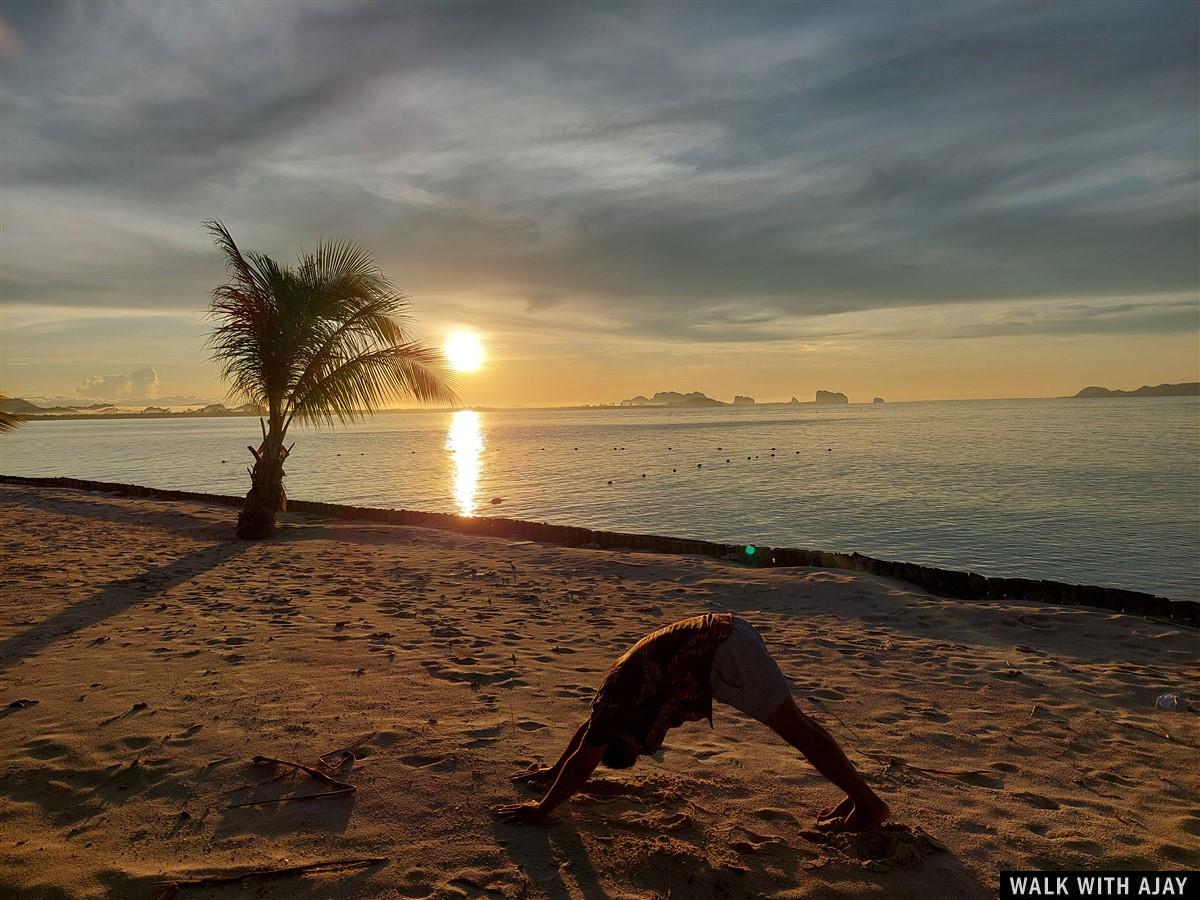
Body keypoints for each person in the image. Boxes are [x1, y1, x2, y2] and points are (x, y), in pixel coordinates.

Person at [494, 612, 889, 830]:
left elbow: (584, 760)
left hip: (724, 656)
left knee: (798, 733)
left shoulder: (616, 714)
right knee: (801, 728)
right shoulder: (613, 701)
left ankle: (868, 805)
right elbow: (585, 738)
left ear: (622, 736)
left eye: (638, 748)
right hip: (727, 630)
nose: (651, 745)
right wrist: (552, 770)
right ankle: (859, 796)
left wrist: (541, 810)